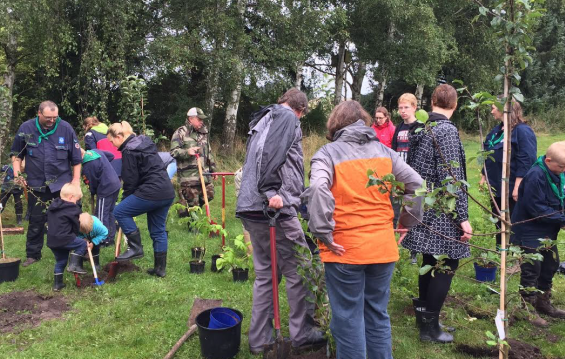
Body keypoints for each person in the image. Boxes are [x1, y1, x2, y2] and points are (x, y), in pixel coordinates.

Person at [304, 100, 424, 359]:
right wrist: (406, 222)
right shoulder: (385, 152)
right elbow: (417, 184)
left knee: (348, 320)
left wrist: (324, 232)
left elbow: (316, 189)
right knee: (376, 314)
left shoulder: (327, 153)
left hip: (344, 250)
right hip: (382, 248)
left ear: (335, 123)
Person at [236, 88, 324, 354]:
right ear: (300, 110)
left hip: (251, 207)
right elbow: (272, 153)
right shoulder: (287, 117)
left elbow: (260, 155)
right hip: (274, 209)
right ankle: (302, 333)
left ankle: (260, 339)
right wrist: (273, 191)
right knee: (301, 268)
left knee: (267, 274)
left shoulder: (264, 120)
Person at [401, 84, 472, 343]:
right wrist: (462, 218)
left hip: (423, 203)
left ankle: (427, 323)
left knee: (430, 260)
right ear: (454, 105)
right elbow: (451, 179)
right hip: (442, 209)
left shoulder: (419, 128)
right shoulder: (446, 131)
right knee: (447, 262)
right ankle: (430, 329)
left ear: (431, 102)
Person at [511, 141, 565, 327]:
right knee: (532, 267)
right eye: (561, 166)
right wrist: (562, 220)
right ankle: (527, 308)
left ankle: (543, 302)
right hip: (530, 229)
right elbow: (536, 207)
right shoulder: (536, 176)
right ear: (548, 160)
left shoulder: (564, 172)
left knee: (550, 264)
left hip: (549, 229)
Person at [11, 101, 82, 267]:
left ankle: (78, 250)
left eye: (55, 117)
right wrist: (17, 174)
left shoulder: (65, 128)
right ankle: (33, 255)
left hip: (63, 186)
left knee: (71, 217)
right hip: (37, 184)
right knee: (36, 221)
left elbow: (77, 159)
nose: (52, 121)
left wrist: (76, 181)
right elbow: (16, 154)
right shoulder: (26, 129)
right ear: (39, 114)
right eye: (48, 118)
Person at [107, 121, 175, 278]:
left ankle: (135, 248)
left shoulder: (129, 150)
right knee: (157, 230)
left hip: (152, 191)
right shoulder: (144, 142)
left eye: (112, 141)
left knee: (120, 211)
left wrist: (125, 198)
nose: (113, 145)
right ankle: (160, 269)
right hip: (166, 191)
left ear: (119, 136)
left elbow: (130, 180)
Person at [480, 99, 537, 248]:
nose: (492, 111)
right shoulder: (496, 131)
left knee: (513, 221)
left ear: (505, 109)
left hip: (512, 186)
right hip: (496, 186)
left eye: (494, 108)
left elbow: (527, 159)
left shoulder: (522, 131)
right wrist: (484, 175)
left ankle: (515, 257)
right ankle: (502, 253)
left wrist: (518, 185)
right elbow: (488, 153)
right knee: (499, 221)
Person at [390, 93, 423, 264]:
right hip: (398, 176)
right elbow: (394, 151)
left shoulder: (421, 127)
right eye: (400, 108)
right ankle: (392, 245)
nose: (403, 111)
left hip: (414, 176)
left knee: (413, 210)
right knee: (395, 211)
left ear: (414, 107)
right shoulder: (399, 128)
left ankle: (414, 252)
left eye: (406, 107)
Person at [170, 107, 216, 217]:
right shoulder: (180, 132)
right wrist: (187, 152)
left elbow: (208, 152)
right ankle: (192, 224)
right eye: (199, 119)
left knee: (210, 194)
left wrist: (213, 169)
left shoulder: (203, 133)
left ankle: (183, 208)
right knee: (192, 200)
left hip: (203, 174)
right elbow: (173, 152)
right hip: (188, 176)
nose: (202, 122)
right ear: (191, 119)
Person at [47, 183, 87, 292]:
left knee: (61, 261)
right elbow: (76, 225)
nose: (76, 202)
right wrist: (76, 234)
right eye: (76, 200)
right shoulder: (72, 209)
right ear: (71, 197)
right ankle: (74, 265)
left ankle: (57, 284)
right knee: (82, 244)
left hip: (52, 240)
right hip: (64, 238)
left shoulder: (53, 207)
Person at [81, 148, 121, 246]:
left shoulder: (87, 166)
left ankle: (104, 239)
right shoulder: (95, 151)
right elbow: (111, 155)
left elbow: (92, 183)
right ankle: (110, 237)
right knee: (110, 211)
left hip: (105, 188)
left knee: (101, 214)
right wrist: (104, 166)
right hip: (115, 182)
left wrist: (93, 191)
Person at [0, 160, 24, 228]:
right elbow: (1, 168)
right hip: (6, 188)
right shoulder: (8, 167)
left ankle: (19, 220)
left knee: (18, 204)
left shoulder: (23, 168)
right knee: (1, 203)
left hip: (18, 188)